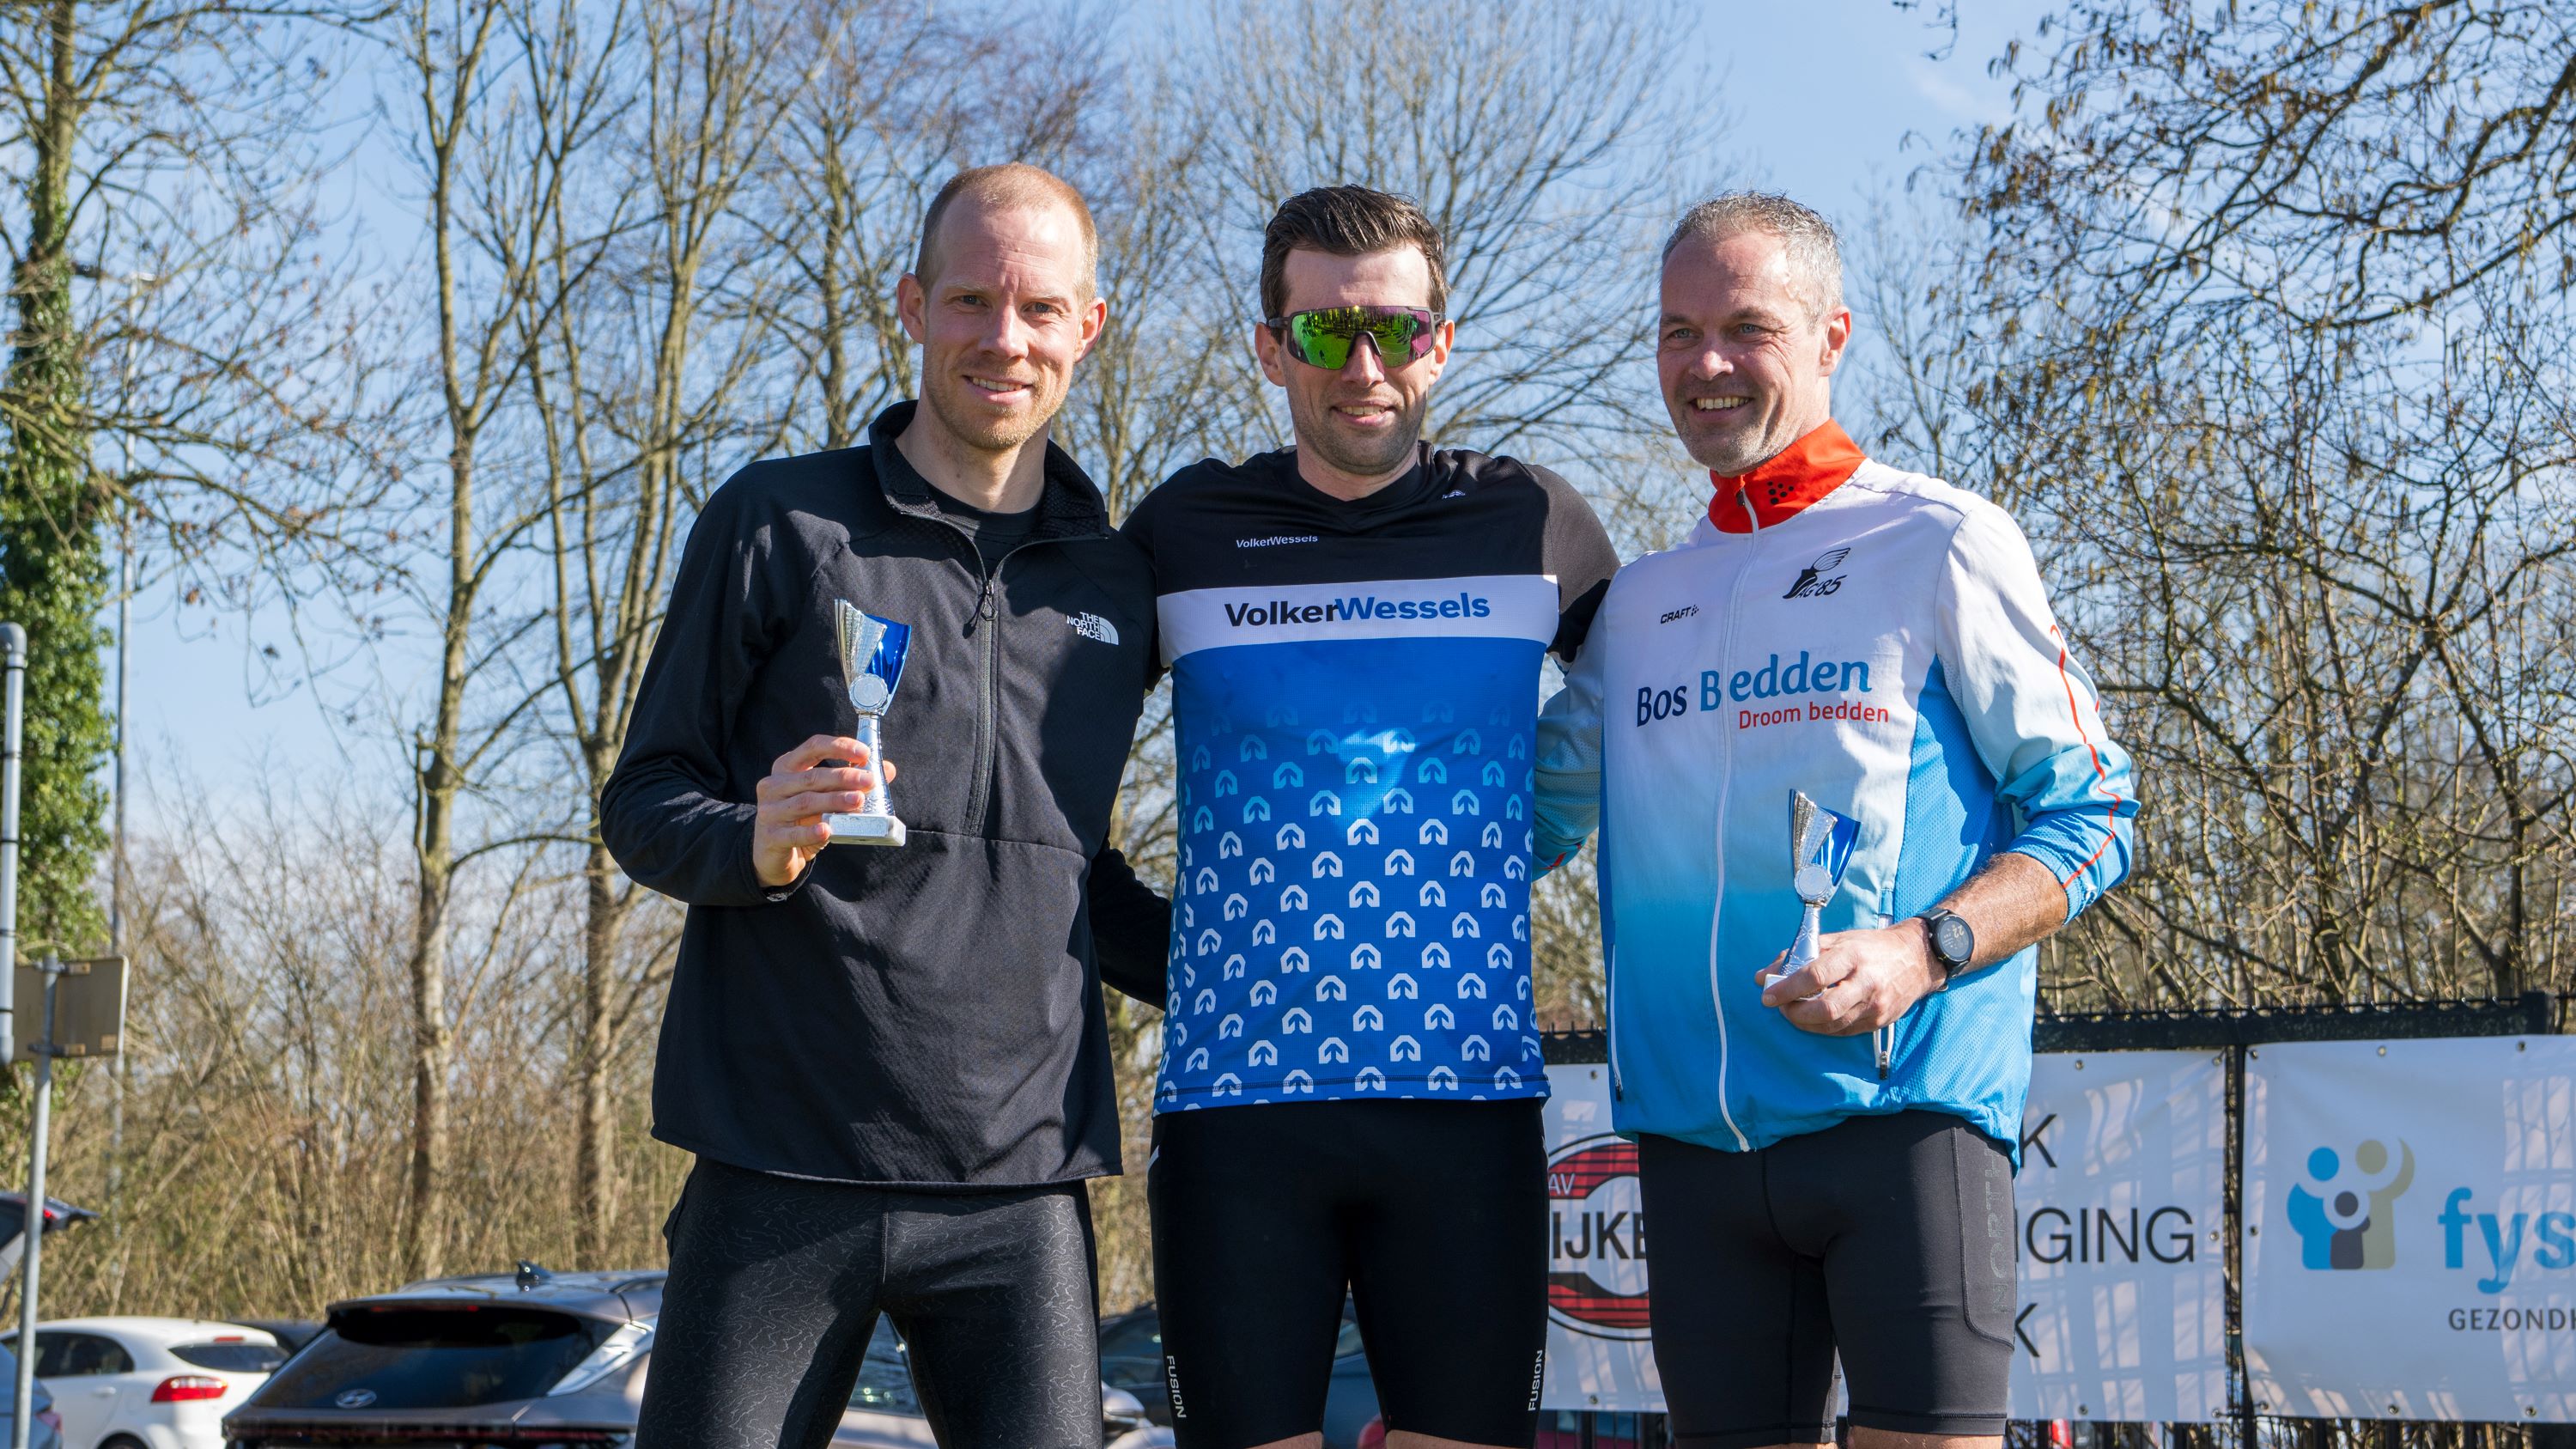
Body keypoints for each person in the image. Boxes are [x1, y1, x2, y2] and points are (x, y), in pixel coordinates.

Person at [1533, 192, 2140, 1449]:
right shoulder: (1639, 604)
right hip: (1692, 1150)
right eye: (1676, 331)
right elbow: (1522, 827)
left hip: (1900, 1129)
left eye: (1745, 327)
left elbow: (2094, 816)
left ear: (1830, 337)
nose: (1705, 363)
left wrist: (1926, 950)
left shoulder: (1942, 540)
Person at [603, 162, 1169, 1449]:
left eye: (1038, 309)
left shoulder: (1120, 583)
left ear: (1088, 326)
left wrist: (1250, 967)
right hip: (779, 1164)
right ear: (911, 306)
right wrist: (753, 838)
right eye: (969, 300)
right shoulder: (777, 520)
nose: (1002, 339)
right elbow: (644, 801)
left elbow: (1064, 872)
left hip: (1021, 1180)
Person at [1121, 186, 1619, 1449]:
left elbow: (1653, 712)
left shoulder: (1534, 520)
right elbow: (1029, 767)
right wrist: (1156, 954)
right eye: (1327, 333)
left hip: (1469, 1108)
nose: (1363, 365)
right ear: (1271, 345)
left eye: (1394, 331)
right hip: (1236, 1117)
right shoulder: (1183, 528)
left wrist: (1530, 837)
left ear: (1438, 342)